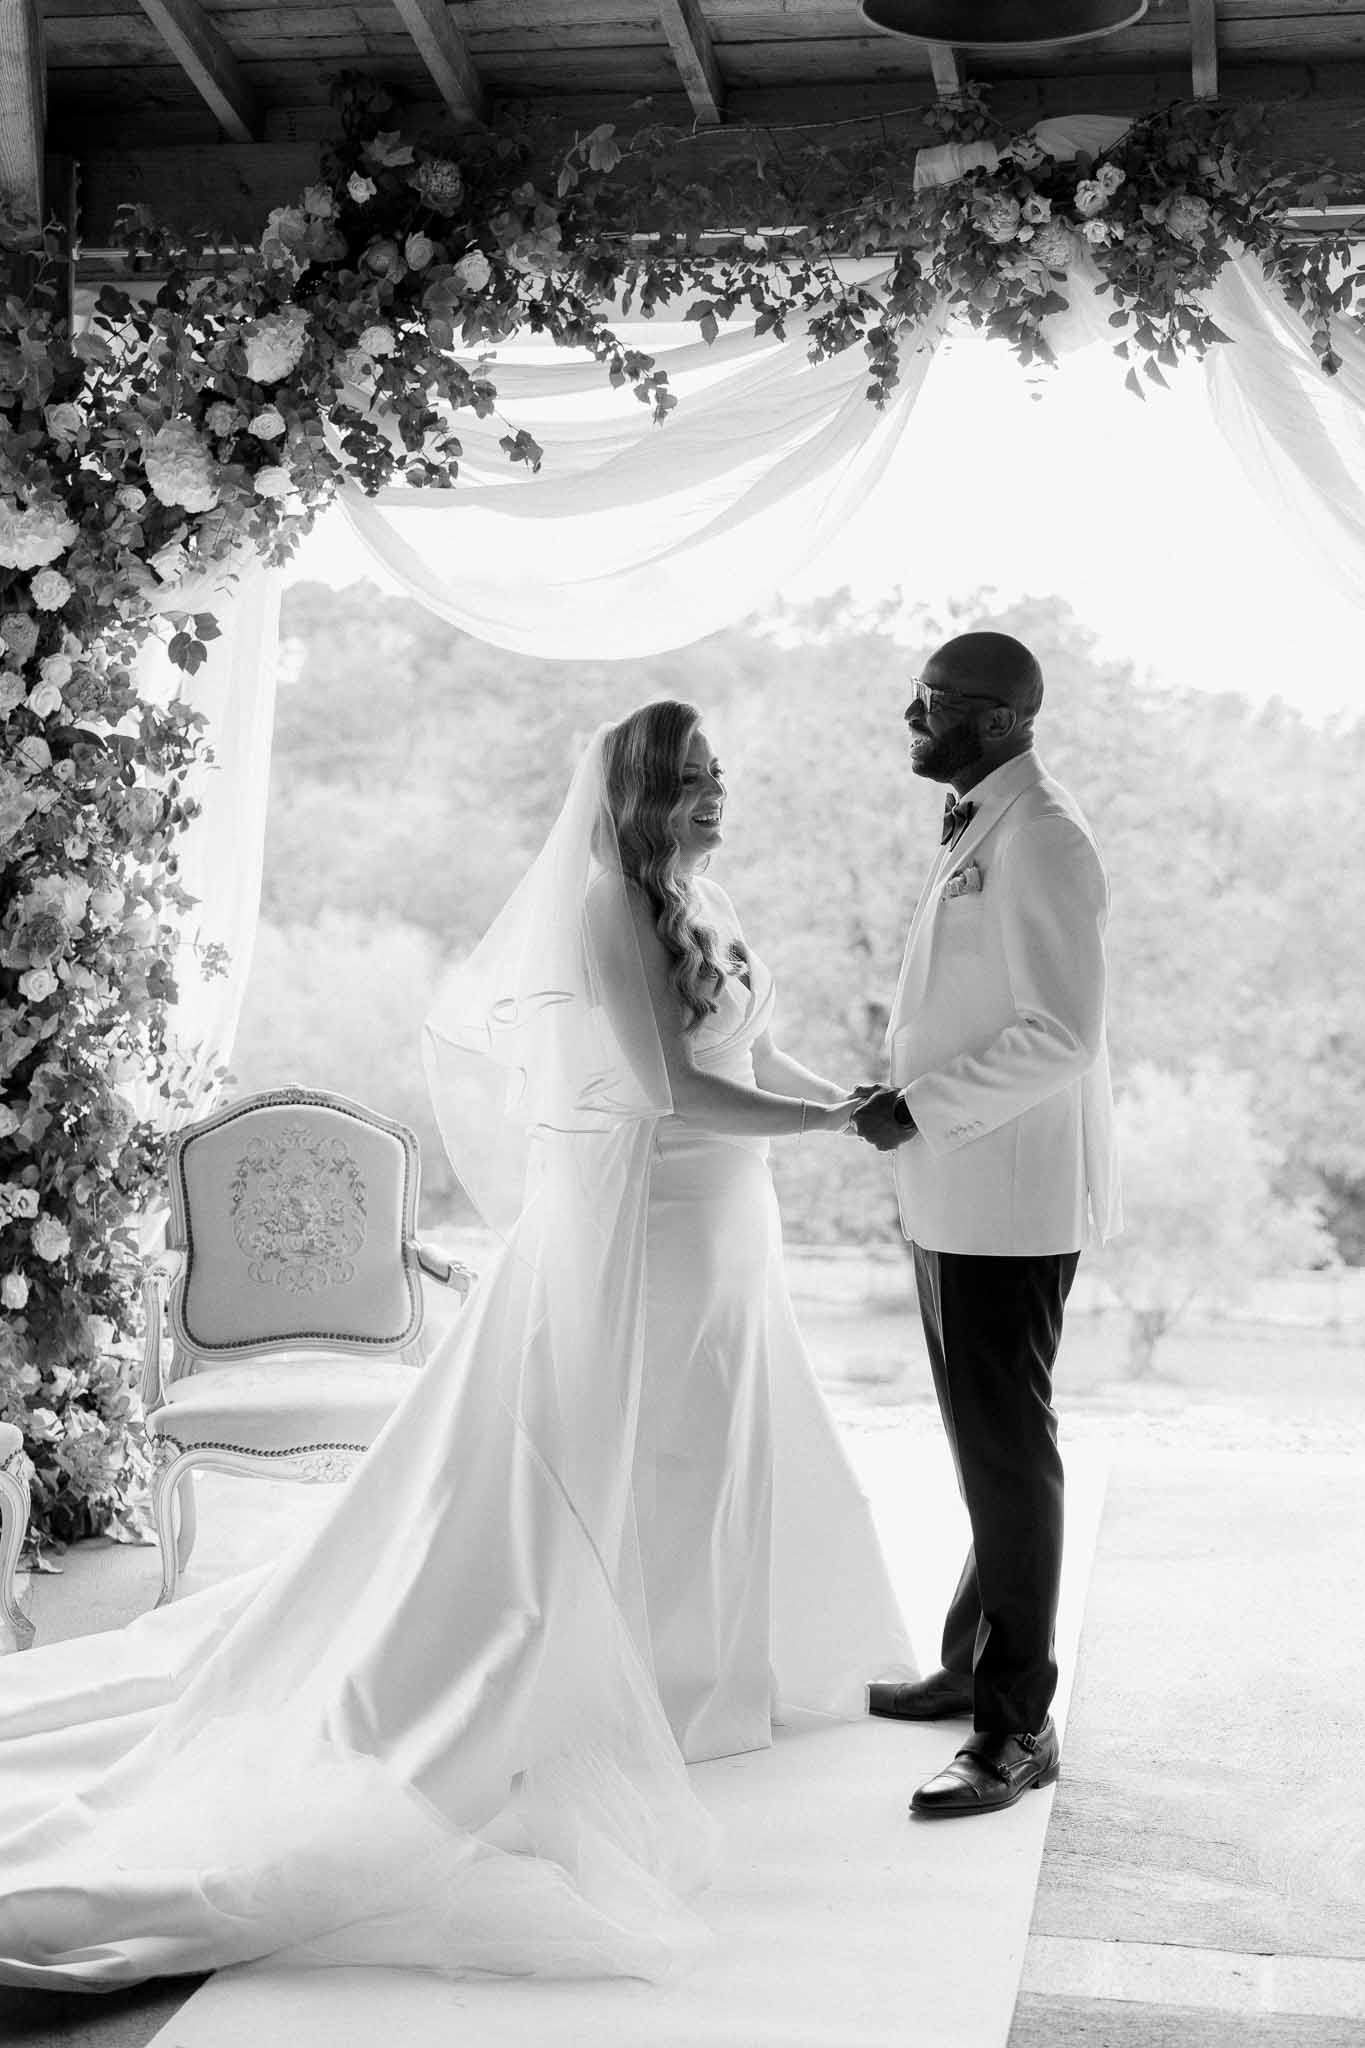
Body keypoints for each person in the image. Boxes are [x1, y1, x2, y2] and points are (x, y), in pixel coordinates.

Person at [0, 700, 914, 1990]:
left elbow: (748, 1046)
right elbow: (671, 1088)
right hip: (646, 1218)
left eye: (721, 777)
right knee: (627, 1444)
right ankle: (589, 1682)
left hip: (727, 1221)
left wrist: (842, 1099)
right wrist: (825, 1134)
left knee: (711, 1437)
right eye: (693, 782)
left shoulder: (704, 896)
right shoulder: (607, 906)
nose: (718, 797)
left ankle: (693, 1671)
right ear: (640, 793)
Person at [852, 632, 1120, 1820]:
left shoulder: (1047, 836)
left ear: (1005, 720)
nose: (912, 716)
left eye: (934, 703)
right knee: (983, 1448)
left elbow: (1061, 1029)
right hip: (956, 1190)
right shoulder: (977, 816)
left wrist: (922, 1103)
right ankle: (971, 1660)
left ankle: (1017, 1726)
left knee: (1012, 1455)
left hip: (1005, 1198)